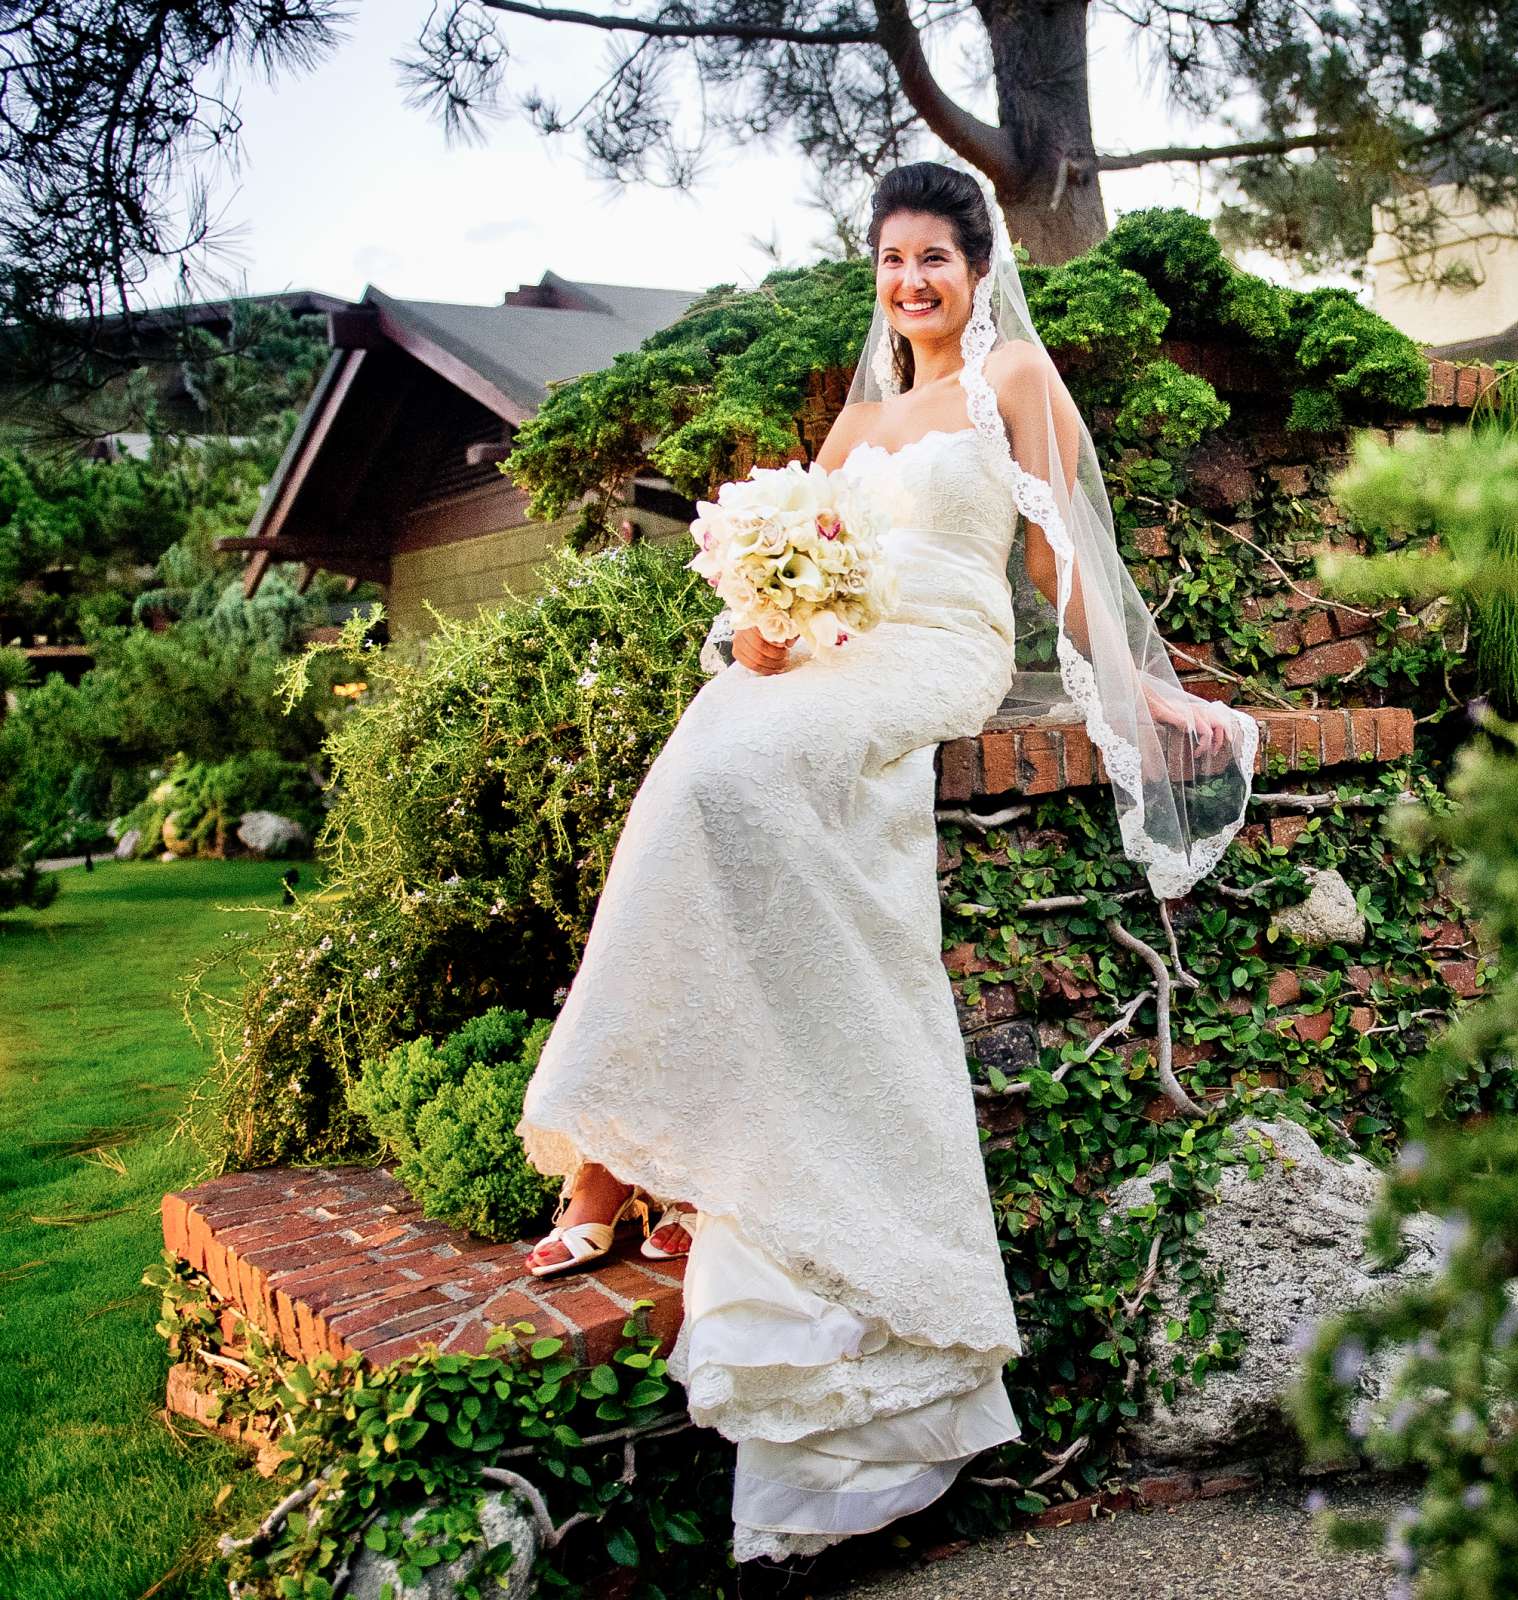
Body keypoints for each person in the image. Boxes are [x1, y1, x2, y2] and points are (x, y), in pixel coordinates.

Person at [513, 162, 1259, 1563]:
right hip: (840, 654)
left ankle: (632, 1177)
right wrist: (765, 622)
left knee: (733, 774)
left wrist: (1139, 684)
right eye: (891, 261)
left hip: (942, 657)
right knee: (703, 759)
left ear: (977, 268)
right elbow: (808, 558)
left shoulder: (1016, 381)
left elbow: (1059, 560)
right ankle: (629, 1171)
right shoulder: (857, 411)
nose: (912, 283)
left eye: (935, 259)